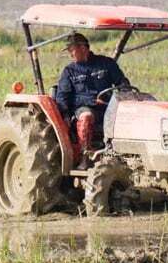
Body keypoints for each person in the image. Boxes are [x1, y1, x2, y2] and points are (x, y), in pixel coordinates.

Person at [52, 31, 132, 166]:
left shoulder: (106, 64)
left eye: (72, 50)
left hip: (108, 107)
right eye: (69, 51)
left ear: (83, 48)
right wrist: (65, 115)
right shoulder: (69, 71)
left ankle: (126, 155)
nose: (70, 54)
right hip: (83, 108)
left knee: (129, 116)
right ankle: (85, 156)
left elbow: (122, 83)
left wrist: (125, 92)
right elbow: (62, 97)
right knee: (87, 116)